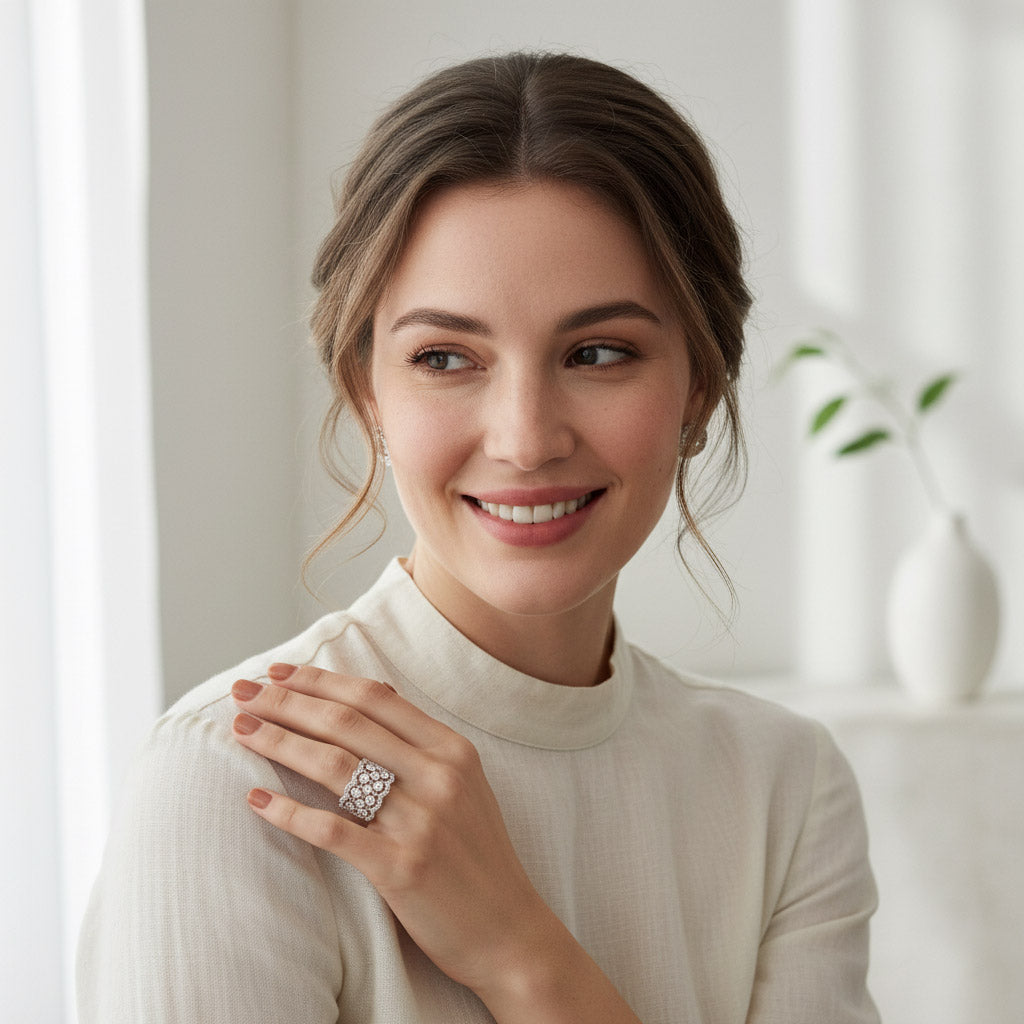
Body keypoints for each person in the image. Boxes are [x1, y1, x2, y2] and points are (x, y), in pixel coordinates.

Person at [77, 52, 879, 1023]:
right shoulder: (238, 778)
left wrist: (519, 951)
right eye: (445, 357)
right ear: (367, 390)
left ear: (698, 388)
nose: (526, 438)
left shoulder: (782, 785)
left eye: (598, 352)